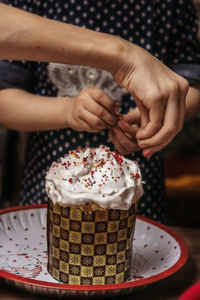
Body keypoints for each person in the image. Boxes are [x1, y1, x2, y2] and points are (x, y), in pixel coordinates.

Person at [0, 0, 200, 224]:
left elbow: (190, 84)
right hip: (45, 197)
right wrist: (67, 111)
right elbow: (4, 98)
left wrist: (155, 119)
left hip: (138, 200)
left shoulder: (173, 6)